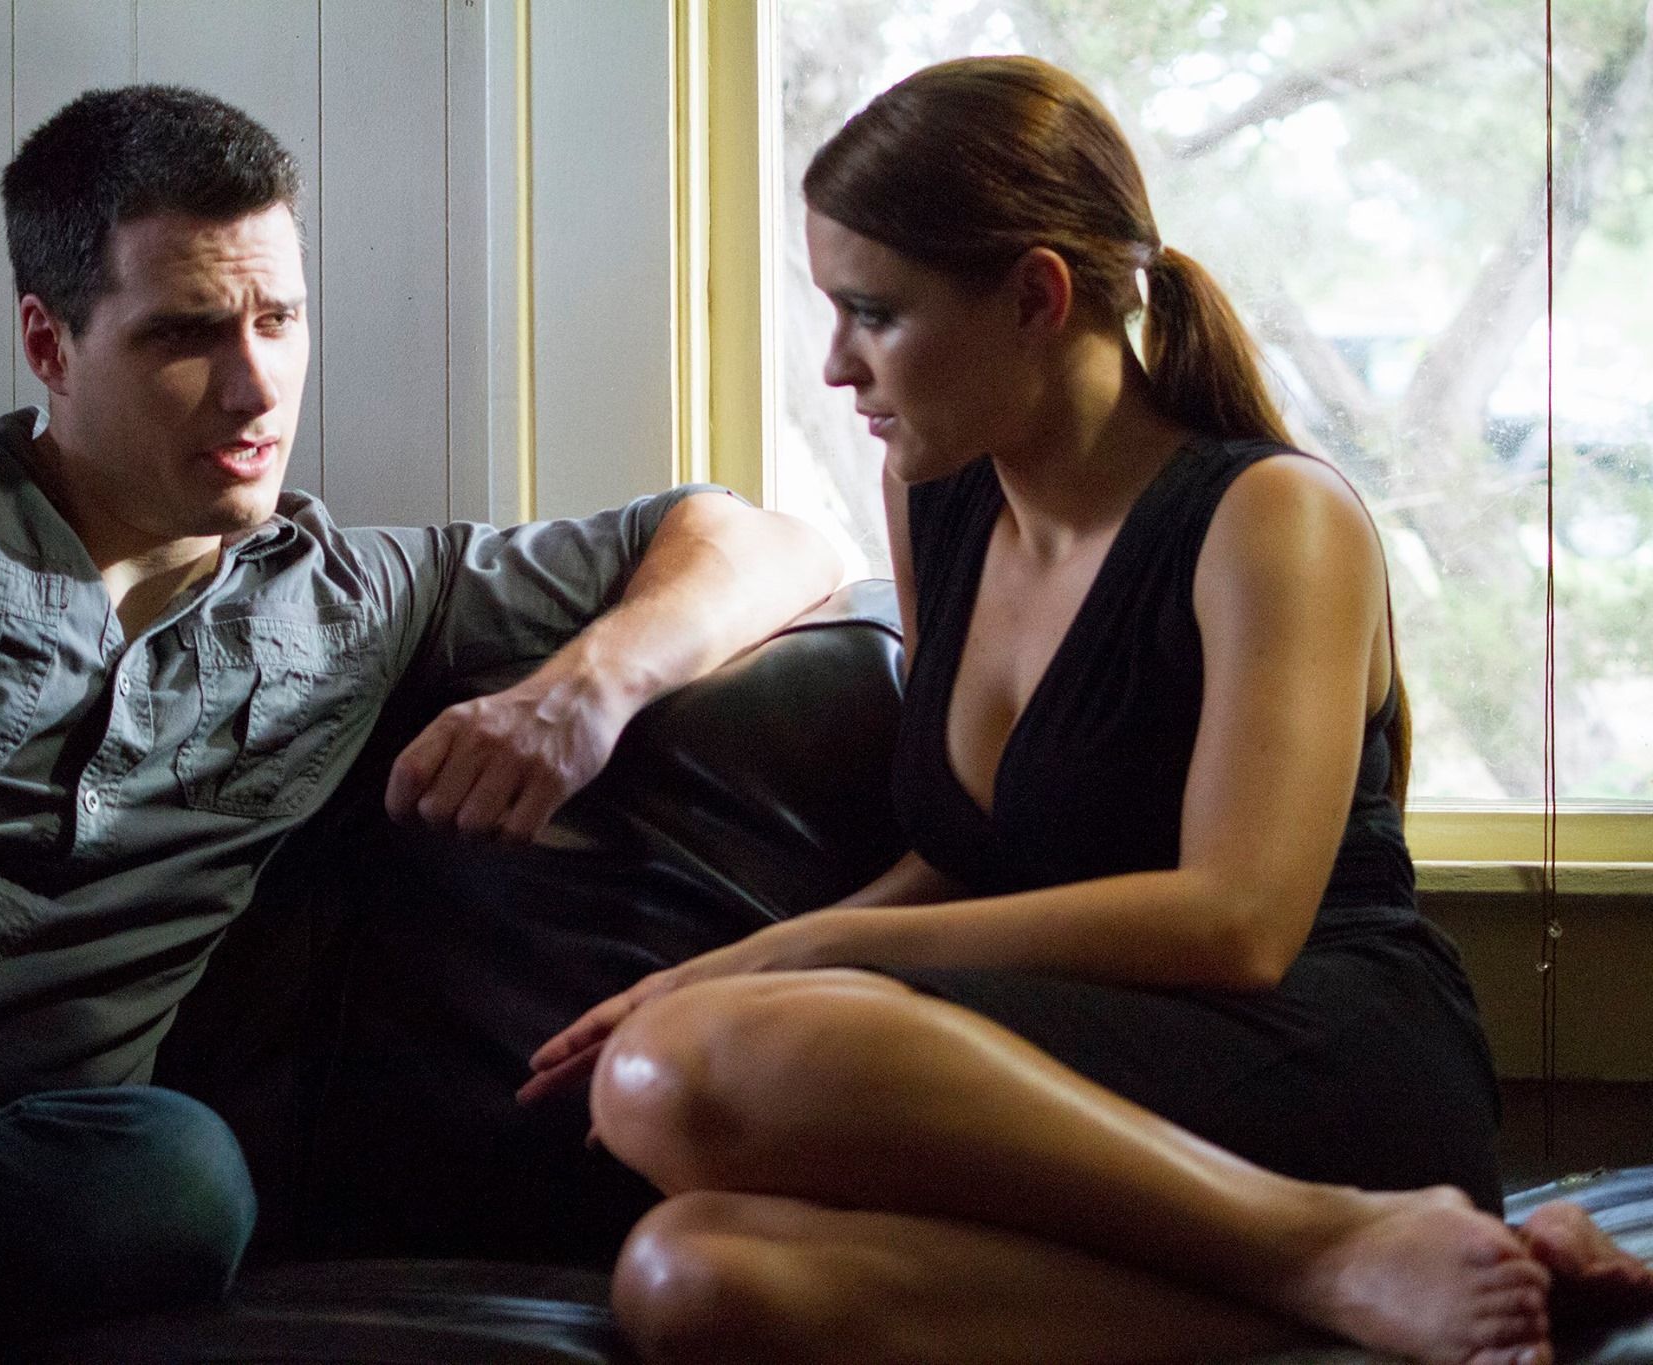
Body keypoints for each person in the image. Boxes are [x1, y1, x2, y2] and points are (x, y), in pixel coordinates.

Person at [0, 85, 839, 1357]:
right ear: (48, 344)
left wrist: (583, 693)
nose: (253, 388)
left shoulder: (364, 600)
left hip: (6, 1159)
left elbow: (766, 539)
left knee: (179, 1174)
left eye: (278, 320)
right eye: (186, 334)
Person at [521, 55, 1653, 1364]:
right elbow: (962, 859)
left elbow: (1237, 923)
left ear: (1036, 297)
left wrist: (804, 958)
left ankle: (1324, 1236)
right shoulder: (938, 496)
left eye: (873, 314)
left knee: (679, 1071)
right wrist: (737, 964)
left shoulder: (1271, 518)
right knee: (688, 1280)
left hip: (1315, 1050)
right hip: (1085, 1082)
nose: (835, 365)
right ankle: (1413, 1281)